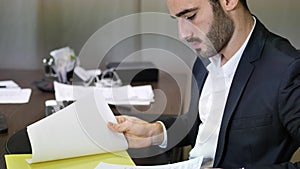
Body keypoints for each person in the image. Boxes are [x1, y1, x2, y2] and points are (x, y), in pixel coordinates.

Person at [108, 0, 300, 168]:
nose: (183, 34)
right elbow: (206, 123)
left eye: (190, 17)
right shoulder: (206, 57)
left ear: (228, 1)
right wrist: (156, 132)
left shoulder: (287, 69)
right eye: (178, 20)